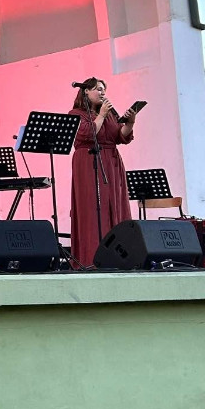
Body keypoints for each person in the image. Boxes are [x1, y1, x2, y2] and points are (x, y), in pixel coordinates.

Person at [69, 77, 137, 268]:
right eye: (98, 89)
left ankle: (118, 257)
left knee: (115, 205)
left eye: (103, 89)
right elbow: (87, 134)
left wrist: (130, 123)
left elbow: (120, 136)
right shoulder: (76, 113)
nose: (102, 92)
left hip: (111, 161)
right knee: (92, 207)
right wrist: (101, 115)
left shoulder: (109, 114)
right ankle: (91, 258)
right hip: (88, 160)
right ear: (86, 91)